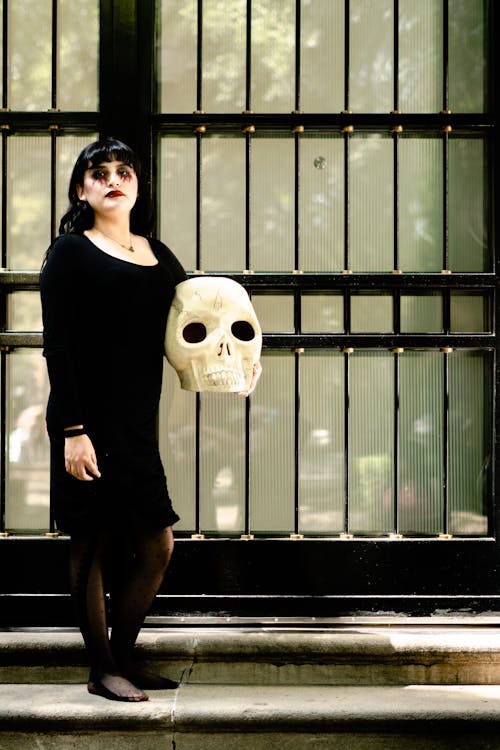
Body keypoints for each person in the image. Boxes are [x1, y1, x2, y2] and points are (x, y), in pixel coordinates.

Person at [40, 137, 188, 702]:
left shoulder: (158, 254)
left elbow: (198, 317)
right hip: (86, 422)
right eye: (98, 173)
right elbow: (59, 347)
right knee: (92, 542)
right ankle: (102, 668)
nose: (113, 179)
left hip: (137, 424)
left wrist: (237, 365)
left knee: (157, 544)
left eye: (124, 171)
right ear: (82, 189)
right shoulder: (70, 251)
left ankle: (123, 656)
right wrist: (73, 432)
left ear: (137, 185)